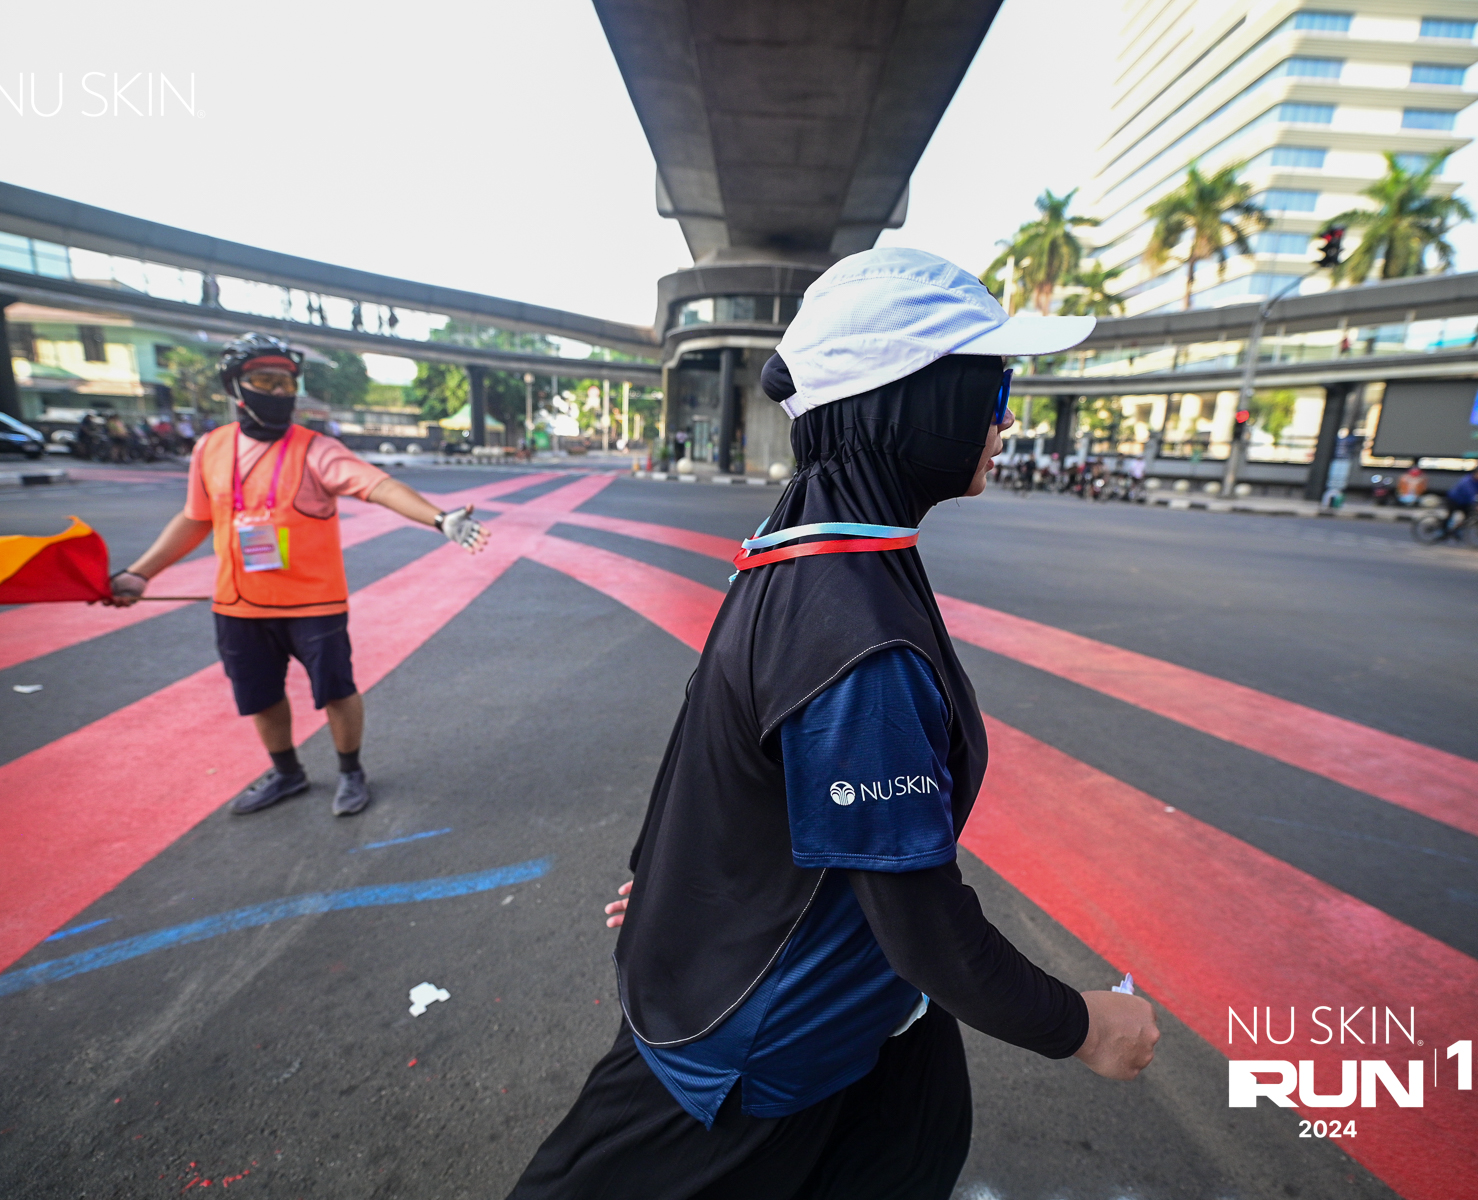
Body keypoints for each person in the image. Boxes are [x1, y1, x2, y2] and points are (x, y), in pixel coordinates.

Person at [507, 250, 1158, 1200]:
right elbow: (921, 920)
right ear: (914, 403)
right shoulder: (856, 631)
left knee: (919, 1147)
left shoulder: (806, 544)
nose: (1006, 418)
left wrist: (682, 877)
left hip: (860, 999)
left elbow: (717, 733)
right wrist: (1085, 1027)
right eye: (994, 388)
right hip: (761, 1038)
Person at [103, 333, 491, 817]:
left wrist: (439, 518)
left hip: (314, 604)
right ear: (236, 387)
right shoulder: (211, 448)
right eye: (265, 381)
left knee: (336, 691)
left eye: (286, 383)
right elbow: (195, 518)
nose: (279, 392)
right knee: (260, 696)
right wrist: (140, 574)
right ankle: (287, 773)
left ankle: (351, 771)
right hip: (238, 605)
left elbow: (378, 485)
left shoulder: (316, 450)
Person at [1445, 464, 1478, 535]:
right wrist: (1476, 505)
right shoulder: (1467, 481)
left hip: (1465, 502)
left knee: (1468, 516)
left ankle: (1457, 530)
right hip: (1454, 500)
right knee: (1449, 515)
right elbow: (1471, 494)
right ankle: (1443, 530)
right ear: (1477, 472)